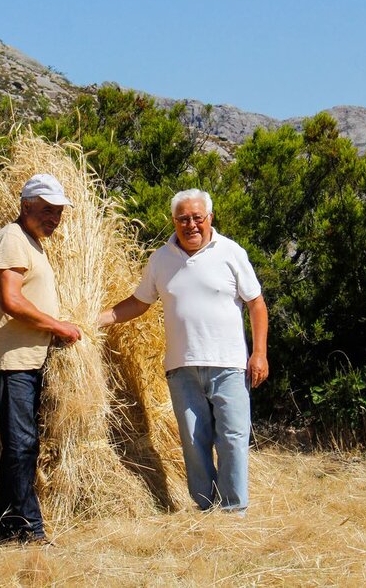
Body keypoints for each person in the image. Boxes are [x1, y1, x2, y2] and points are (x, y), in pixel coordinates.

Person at [98, 189, 268, 514]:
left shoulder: (231, 253)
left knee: (232, 438)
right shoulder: (161, 260)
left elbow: (256, 304)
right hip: (181, 369)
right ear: (174, 221)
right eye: (183, 219)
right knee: (193, 442)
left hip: (229, 366)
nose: (191, 225)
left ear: (209, 218)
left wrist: (258, 353)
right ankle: (204, 509)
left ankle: (233, 512)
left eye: (197, 218)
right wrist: (95, 319)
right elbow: (138, 303)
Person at [0, 174, 83, 544]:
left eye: (58, 212)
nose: (54, 218)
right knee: (22, 446)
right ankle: (29, 530)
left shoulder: (31, 243)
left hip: (24, 361)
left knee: (21, 446)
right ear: (25, 206)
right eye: (46, 211)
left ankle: (5, 529)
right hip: (10, 363)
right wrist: (58, 326)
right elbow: (12, 299)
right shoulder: (12, 240)